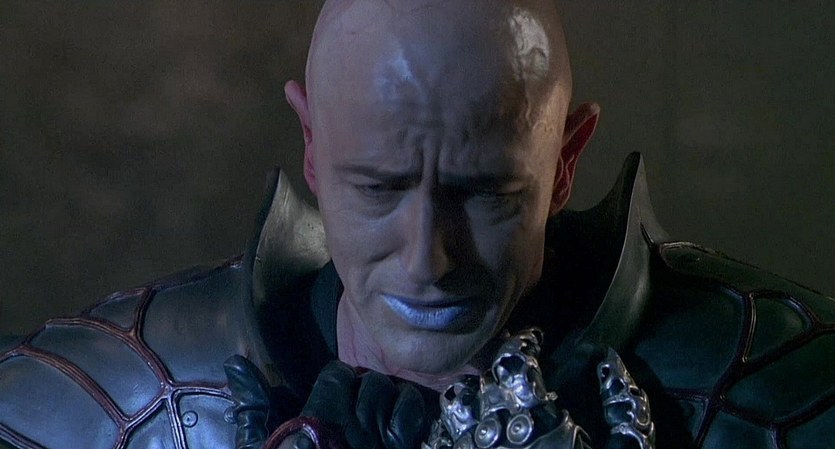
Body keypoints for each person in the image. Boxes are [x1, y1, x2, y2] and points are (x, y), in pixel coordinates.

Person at [0, 1, 831, 448]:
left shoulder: (787, 385)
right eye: (377, 187)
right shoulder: (109, 399)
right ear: (313, 148)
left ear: (564, 163)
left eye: (484, 194)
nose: (427, 259)